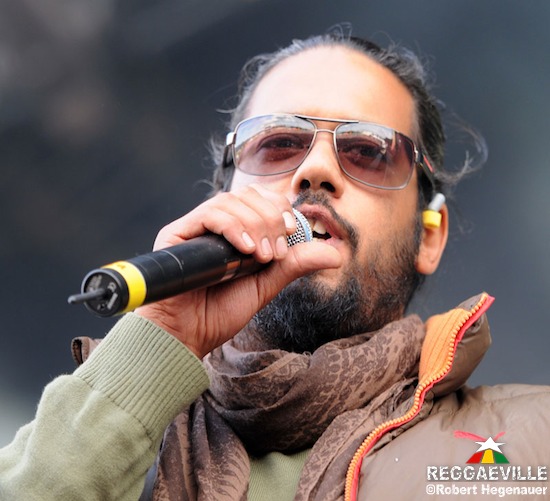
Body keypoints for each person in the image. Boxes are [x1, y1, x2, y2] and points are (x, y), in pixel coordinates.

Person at [1, 31, 549, 501]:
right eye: (280, 143)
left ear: (429, 236)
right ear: (222, 202)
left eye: (368, 151)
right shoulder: (114, 440)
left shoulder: (532, 445)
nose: (315, 169)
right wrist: (158, 339)